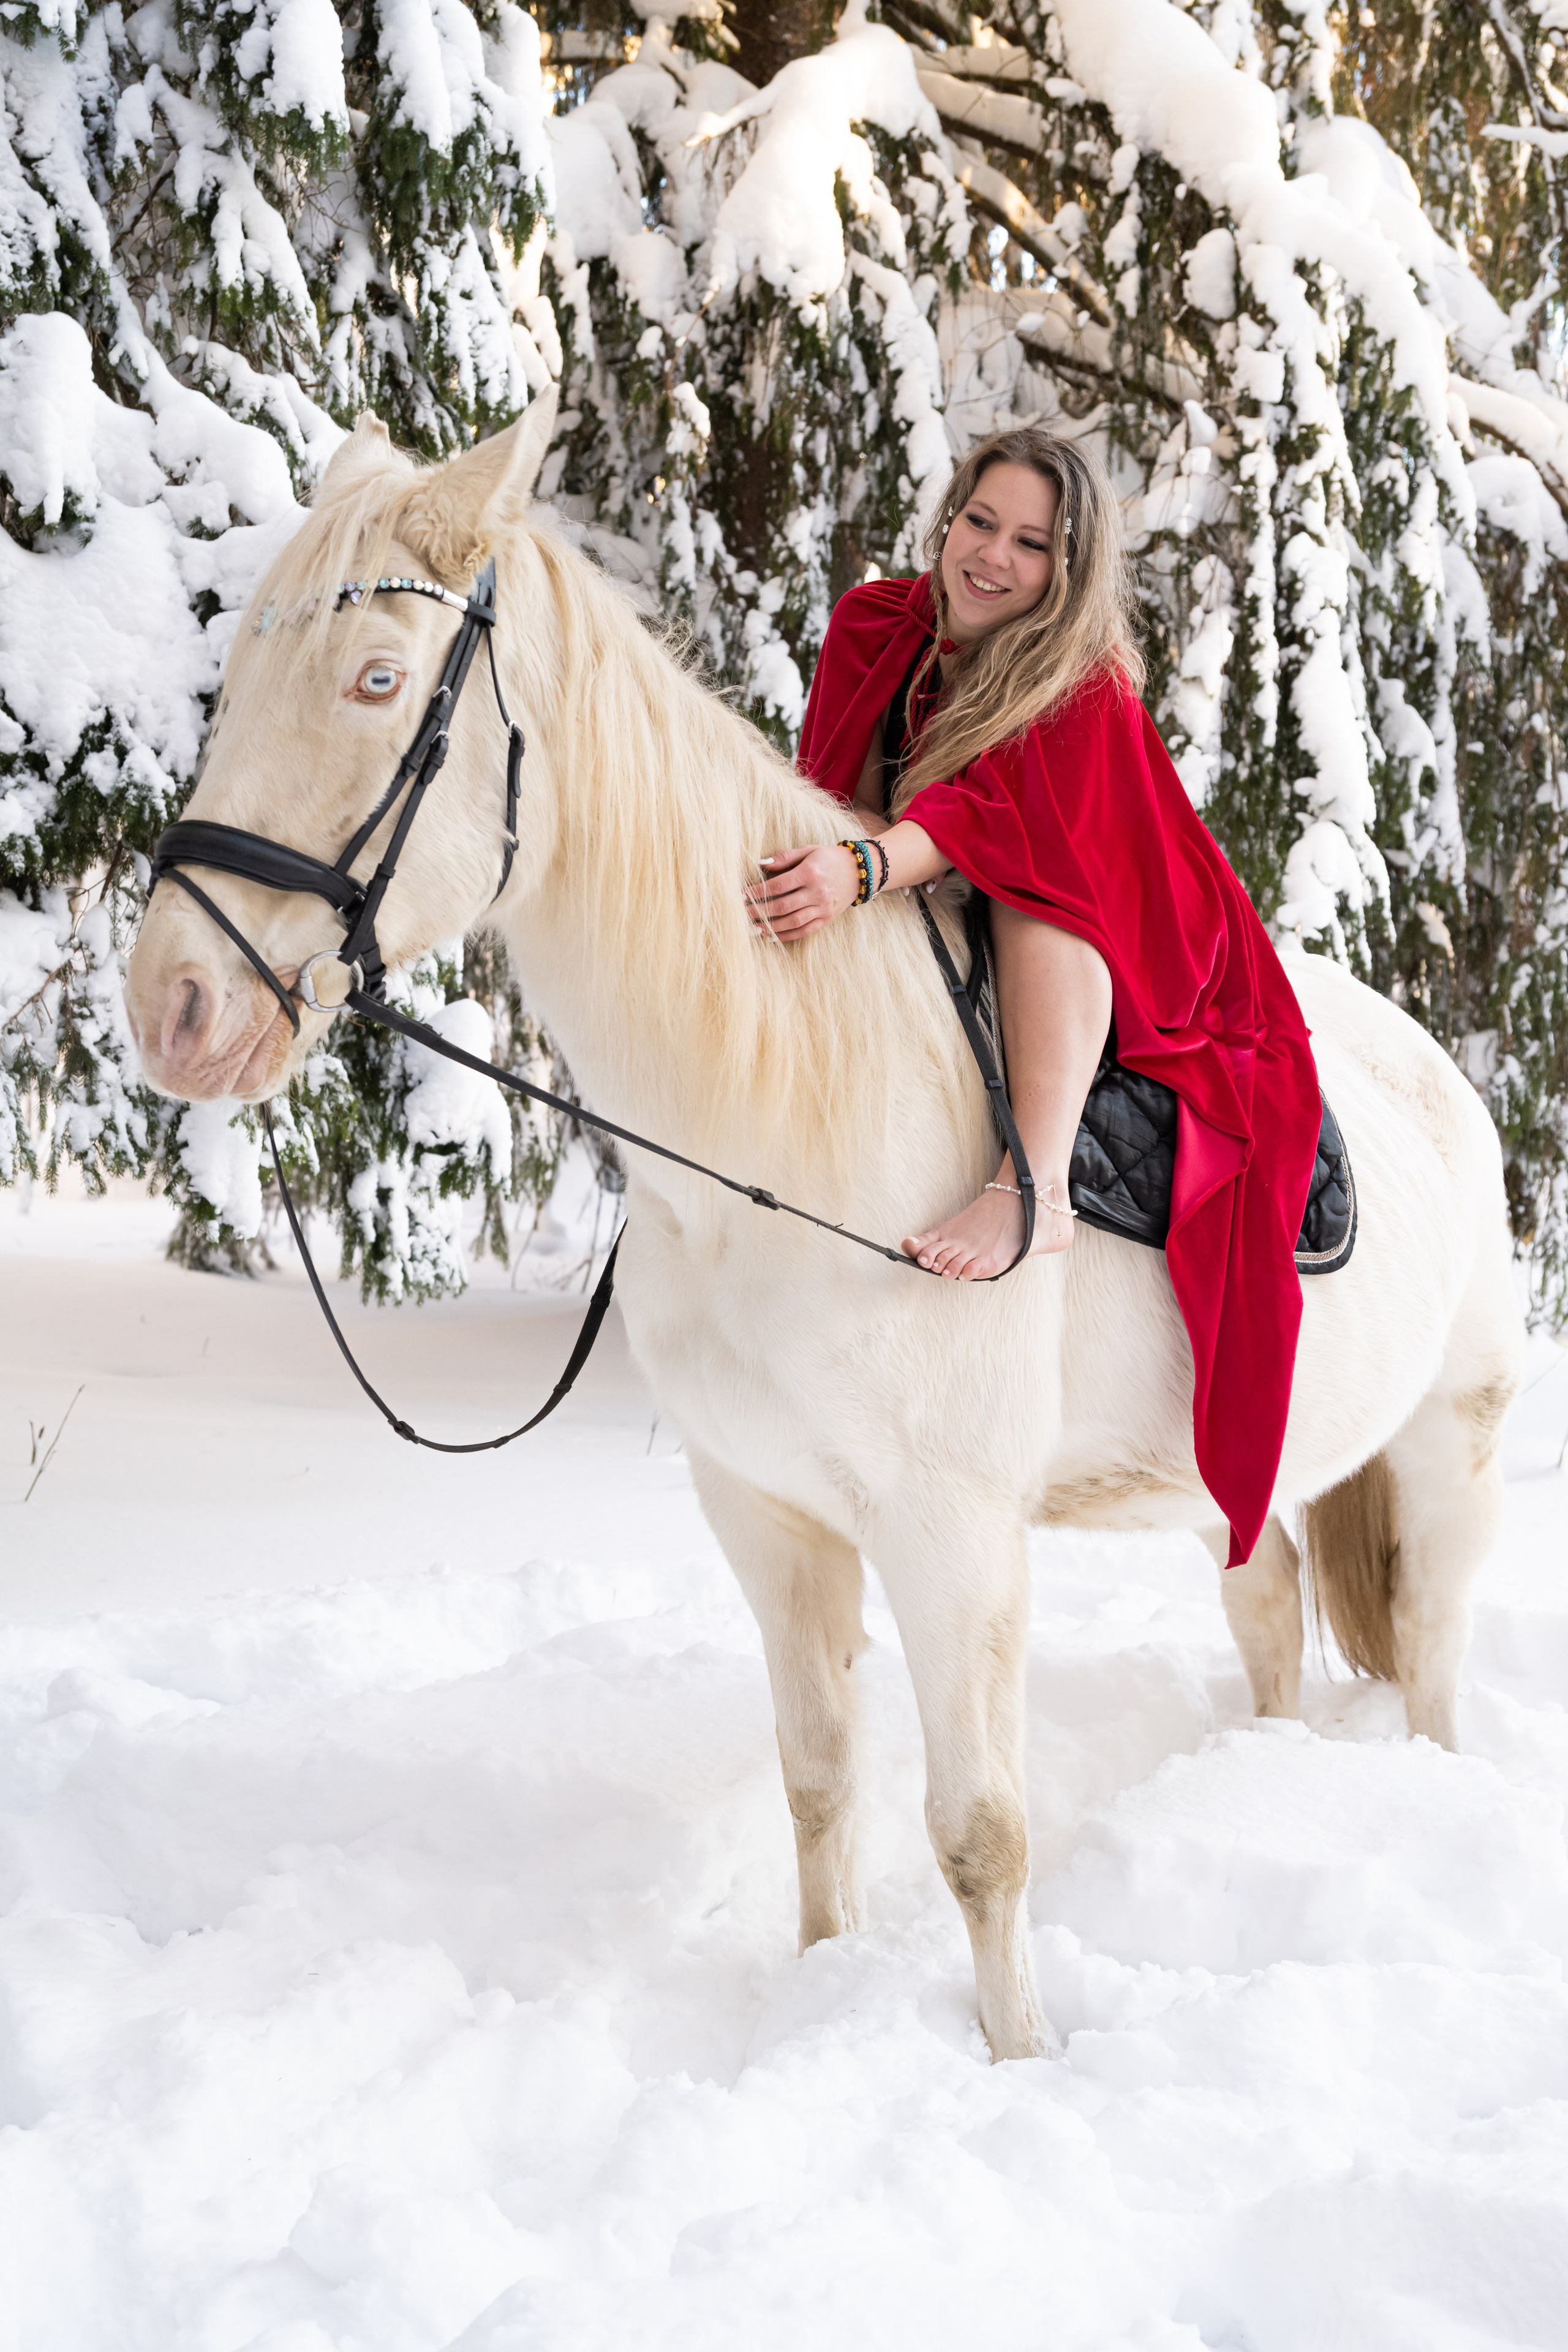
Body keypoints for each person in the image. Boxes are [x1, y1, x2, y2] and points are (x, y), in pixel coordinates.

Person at [745, 428, 1324, 1567]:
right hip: (940, 875)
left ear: (1070, 568)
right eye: (980, 523)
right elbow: (840, 798)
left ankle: (1035, 1187)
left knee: (1038, 899)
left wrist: (868, 863)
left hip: (1139, 919)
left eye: (1032, 544)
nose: (993, 559)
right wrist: (844, 854)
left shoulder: (1077, 683)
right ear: (950, 517)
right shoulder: (877, 628)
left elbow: (1016, 837)